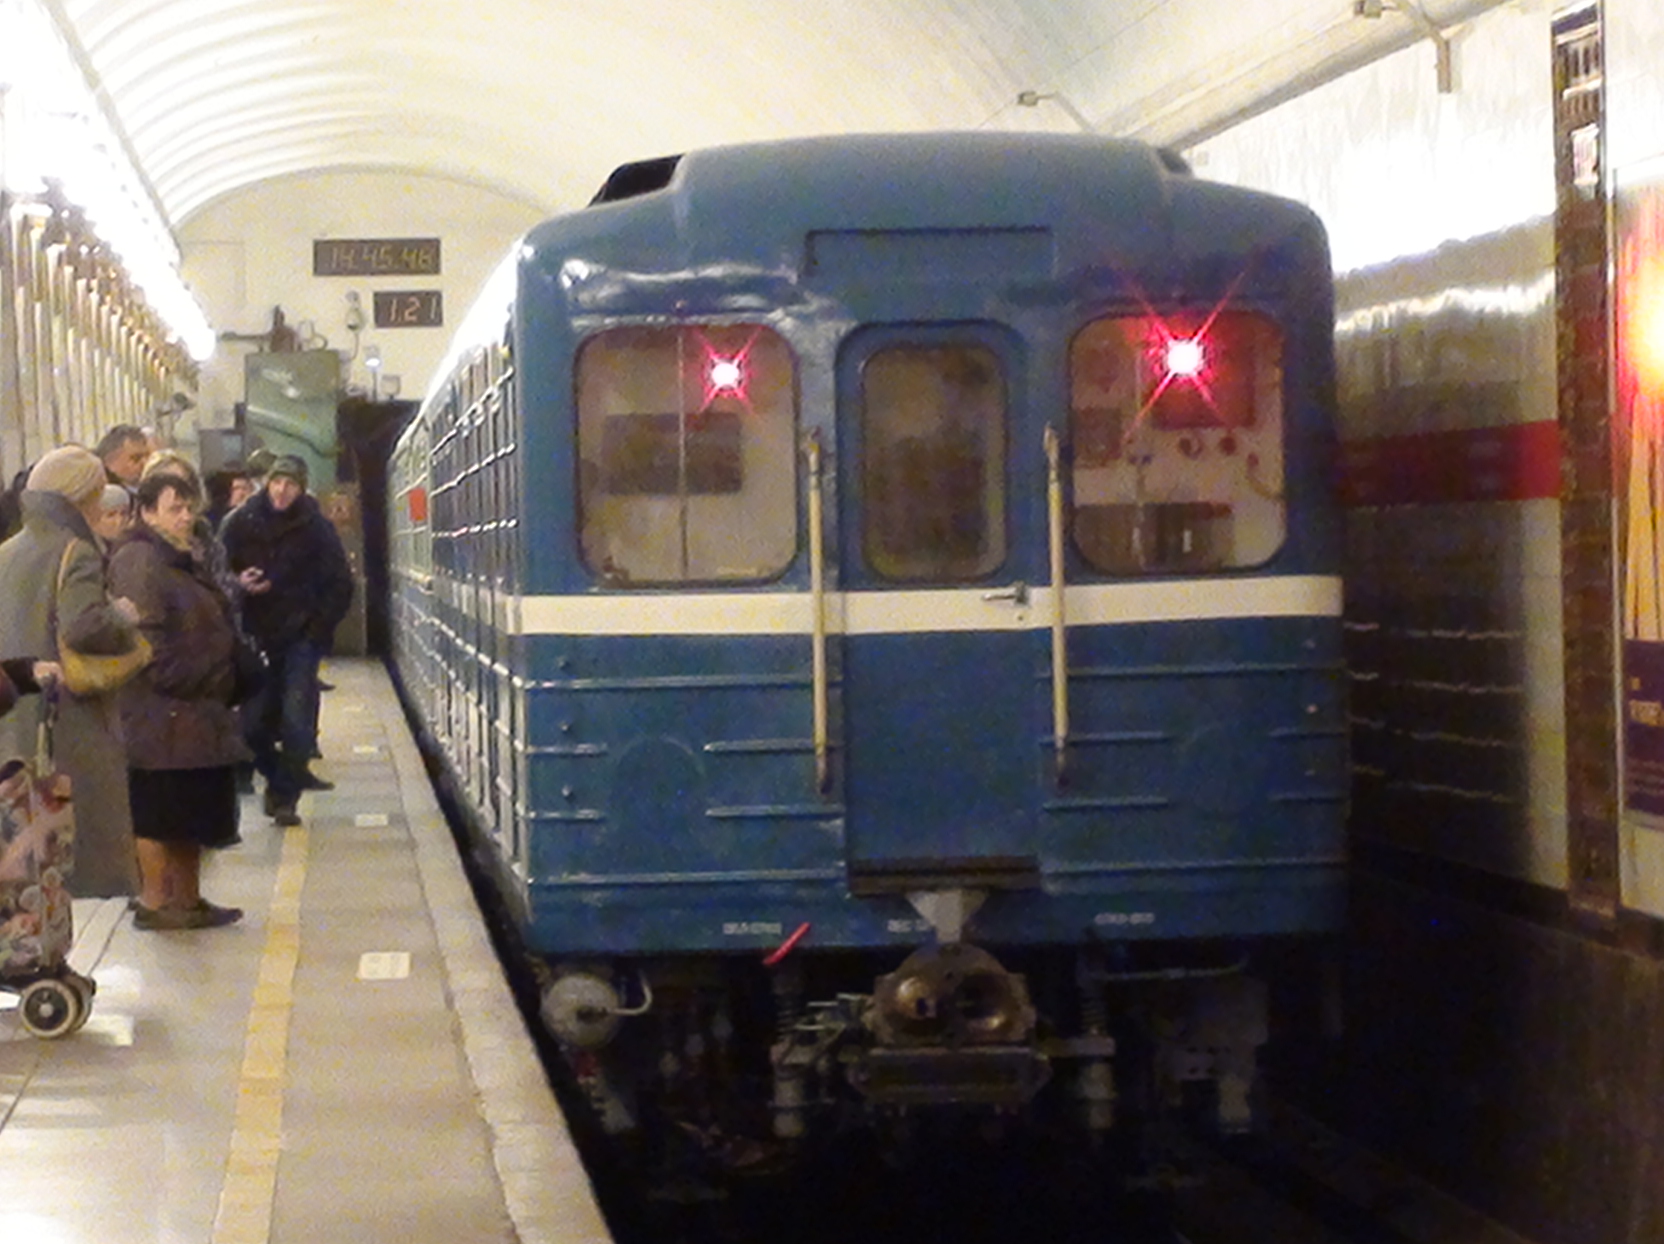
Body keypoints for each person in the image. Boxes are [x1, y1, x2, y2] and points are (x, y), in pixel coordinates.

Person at [0, 445, 144, 899]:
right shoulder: (75, 551)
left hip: (14, 713)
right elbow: (82, 626)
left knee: (25, 848)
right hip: (66, 714)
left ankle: (35, 934)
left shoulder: (7, 550)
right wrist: (121, 616)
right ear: (84, 496)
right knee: (68, 844)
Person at [108, 472, 247, 929]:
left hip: (189, 715)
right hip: (162, 715)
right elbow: (147, 644)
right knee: (158, 816)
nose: (186, 517)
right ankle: (157, 903)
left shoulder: (182, 556)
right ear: (147, 512)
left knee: (189, 815)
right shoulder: (141, 560)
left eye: (190, 507)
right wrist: (209, 673)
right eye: (175, 508)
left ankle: (187, 900)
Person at [219, 454, 353, 826]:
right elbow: (216, 573)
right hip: (253, 636)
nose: (281, 490)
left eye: (290, 484)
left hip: (299, 638)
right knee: (251, 727)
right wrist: (239, 586)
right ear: (267, 483)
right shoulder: (240, 522)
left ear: (301, 488)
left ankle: (284, 799)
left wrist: (317, 629)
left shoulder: (317, 528)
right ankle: (277, 777)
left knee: (297, 726)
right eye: (277, 482)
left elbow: (340, 583)